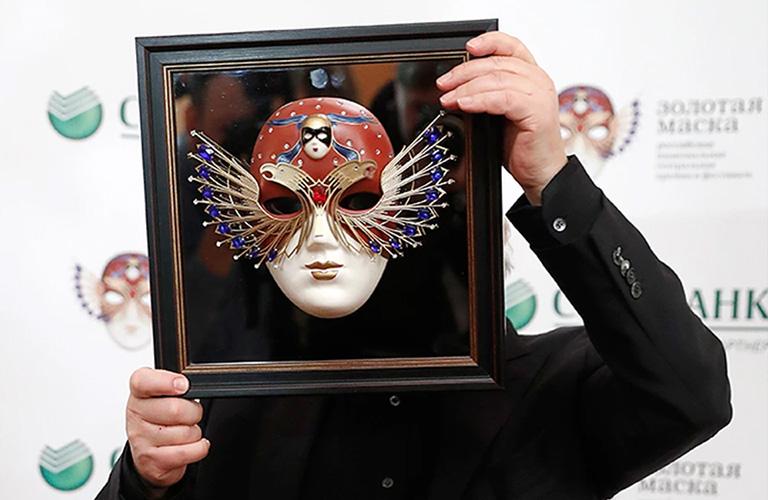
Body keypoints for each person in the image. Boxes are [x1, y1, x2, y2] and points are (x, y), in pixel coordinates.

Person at [98, 32, 731, 499]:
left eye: (360, 202)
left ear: (437, 207)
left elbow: (689, 394)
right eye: (287, 205)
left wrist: (551, 179)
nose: (322, 241)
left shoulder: (551, 391)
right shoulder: (229, 404)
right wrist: (145, 480)